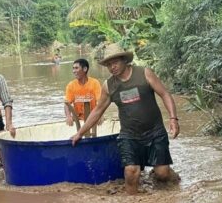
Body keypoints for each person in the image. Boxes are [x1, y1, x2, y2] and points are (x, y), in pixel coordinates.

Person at [70, 43, 179, 194]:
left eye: (114, 63)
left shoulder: (144, 73)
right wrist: (80, 133)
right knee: (131, 172)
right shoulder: (109, 85)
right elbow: (98, 110)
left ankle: (169, 175)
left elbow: (165, 94)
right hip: (129, 134)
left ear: (124, 60)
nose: (112, 67)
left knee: (162, 174)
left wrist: (173, 119)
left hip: (155, 131)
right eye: (108, 65)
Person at [63, 58, 102, 127]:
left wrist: (100, 115)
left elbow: (100, 102)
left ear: (85, 69)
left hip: (93, 117)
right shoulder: (71, 85)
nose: (73, 71)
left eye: (76, 68)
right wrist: (68, 116)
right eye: (73, 68)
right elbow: (67, 104)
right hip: (78, 119)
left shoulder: (95, 83)